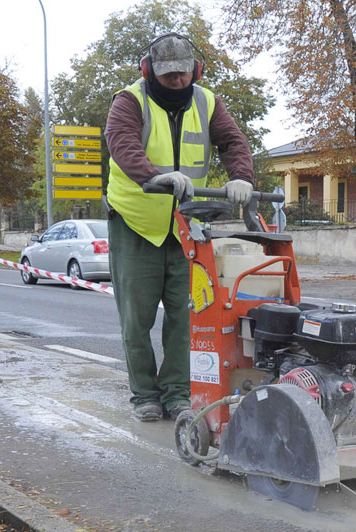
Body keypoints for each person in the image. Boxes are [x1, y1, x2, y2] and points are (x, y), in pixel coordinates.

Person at [104, 32, 254, 422]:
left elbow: (233, 142)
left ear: (196, 70)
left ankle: (176, 392)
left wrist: (242, 177)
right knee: (136, 319)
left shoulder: (207, 102)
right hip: (136, 224)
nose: (177, 81)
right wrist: (155, 175)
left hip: (186, 227)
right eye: (168, 74)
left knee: (186, 317)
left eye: (184, 74)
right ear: (149, 70)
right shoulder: (129, 101)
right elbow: (121, 145)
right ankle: (144, 395)